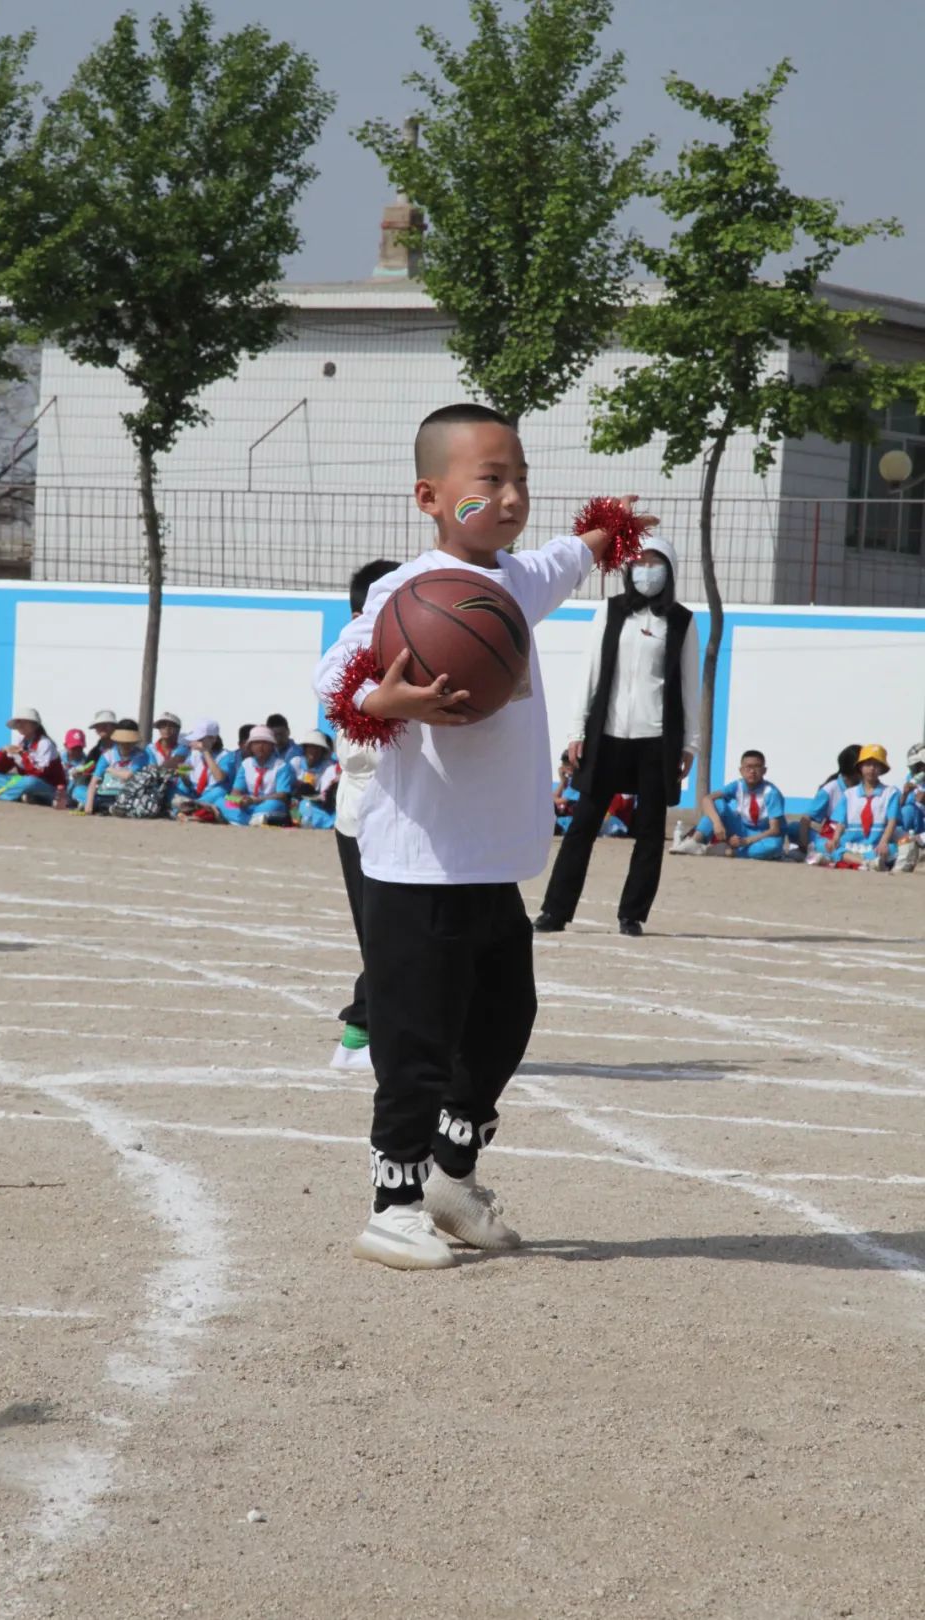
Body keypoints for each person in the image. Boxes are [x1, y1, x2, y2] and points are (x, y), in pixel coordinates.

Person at [314, 402, 635, 1269]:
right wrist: (389, 701)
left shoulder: (518, 581)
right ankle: (392, 1205)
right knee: (414, 1042)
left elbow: (581, 553)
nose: (510, 496)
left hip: (491, 866)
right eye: (487, 481)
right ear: (431, 495)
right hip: (418, 865)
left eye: (520, 479)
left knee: (502, 1023)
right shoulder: (406, 594)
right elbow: (335, 682)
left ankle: (450, 1179)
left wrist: (611, 534)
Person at [534, 535, 698, 938]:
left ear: (670, 570)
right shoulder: (608, 612)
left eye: (655, 562)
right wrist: (577, 730)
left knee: (648, 831)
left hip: (656, 739)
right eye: (639, 562)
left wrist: (689, 743)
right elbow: (589, 675)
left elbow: (690, 686)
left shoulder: (681, 621)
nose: (646, 570)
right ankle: (555, 911)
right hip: (606, 736)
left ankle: (632, 914)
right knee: (583, 825)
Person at [329, 559, 402, 1074]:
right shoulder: (351, 664)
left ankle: (367, 1032)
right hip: (367, 823)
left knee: (393, 938)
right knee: (386, 939)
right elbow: (362, 753)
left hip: (396, 821)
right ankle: (361, 1031)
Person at [677, 750, 786, 859]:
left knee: (773, 846)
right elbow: (707, 799)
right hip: (740, 828)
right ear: (741, 770)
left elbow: (774, 830)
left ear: (764, 770)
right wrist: (717, 823)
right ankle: (695, 842)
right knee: (717, 803)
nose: (752, 771)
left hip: (761, 835)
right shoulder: (738, 785)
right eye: (748, 767)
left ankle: (729, 851)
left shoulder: (771, 793)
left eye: (757, 767)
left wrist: (748, 840)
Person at [820, 743, 902, 868]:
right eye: (868, 764)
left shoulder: (890, 793)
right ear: (860, 767)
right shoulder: (849, 794)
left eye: (876, 765)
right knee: (830, 848)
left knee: (893, 850)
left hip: (876, 844)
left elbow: (892, 821)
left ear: (881, 769)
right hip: (850, 844)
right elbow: (841, 822)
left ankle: (865, 861)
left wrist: (883, 842)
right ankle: (866, 863)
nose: (872, 768)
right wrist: (835, 839)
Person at [788, 744, 861, 852]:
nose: (871, 768)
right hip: (835, 836)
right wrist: (804, 846)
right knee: (794, 828)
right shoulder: (830, 789)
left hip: (861, 836)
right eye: (867, 764)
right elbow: (806, 818)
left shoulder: (868, 788)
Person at [220, 725, 295, 826]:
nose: (260, 746)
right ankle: (252, 821)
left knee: (274, 805)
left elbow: (282, 795)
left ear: (272, 746)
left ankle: (242, 820)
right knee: (223, 801)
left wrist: (257, 800)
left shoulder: (281, 766)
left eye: (265, 743)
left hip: (267, 803)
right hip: (248, 804)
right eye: (256, 743)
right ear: (250, 746)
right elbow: (235, 792)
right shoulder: (246, 764)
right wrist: (240, 800)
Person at [0, 708, 66, 804]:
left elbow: (38, 773)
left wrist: (23, 754)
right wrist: (3, 751)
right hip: (25, 783)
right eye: (18, 722)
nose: (20, 725)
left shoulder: (44, 743)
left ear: (34, 724)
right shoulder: (20, 741)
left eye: (24, 722)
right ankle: (18, 794)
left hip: (50, 788)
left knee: (30, 782)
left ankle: (3, 795)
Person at [84, 719, 150, 814]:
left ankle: (109, 807)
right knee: (79, 791)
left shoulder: (141, 755)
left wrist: (111, 770)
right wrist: (88, 806)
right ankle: (107, 807)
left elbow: (128, 775)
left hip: (132, 795)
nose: (126, 745)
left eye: (129, 741)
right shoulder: (107, 755)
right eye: (123, 741)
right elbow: (94, 781)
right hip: (107, 794)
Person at [293, 732, 340, 829]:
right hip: (297, 802)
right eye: (311, 747)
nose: (313, 751)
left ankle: (330, 824)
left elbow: (325, 796)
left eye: (317, 748)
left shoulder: (327, 766)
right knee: (304, 805)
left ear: (322, 751)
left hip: (320, 804)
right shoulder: (296, 762)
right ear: (305, 748)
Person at [899, 742, 925, 839]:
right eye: (913, 768)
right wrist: (905, 795)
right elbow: (896, 811)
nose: (914, 771)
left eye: (917, 766)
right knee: (908, 811)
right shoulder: (908, 779)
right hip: (913, 828)